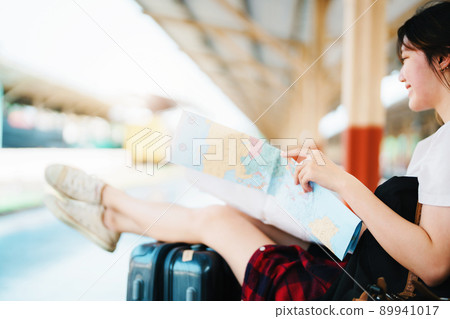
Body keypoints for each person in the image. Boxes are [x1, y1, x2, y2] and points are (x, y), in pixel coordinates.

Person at [44, 1, 450, 300]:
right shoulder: (434, 144)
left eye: (406, 58)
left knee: (219, 223)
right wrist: (330, 183)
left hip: (355, 293)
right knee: (236, 205)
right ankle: (112, 215)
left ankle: (107, 201)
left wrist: (342, 183)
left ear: (444, 58)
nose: (400, 74)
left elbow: (432, 265)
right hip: (360, 262)